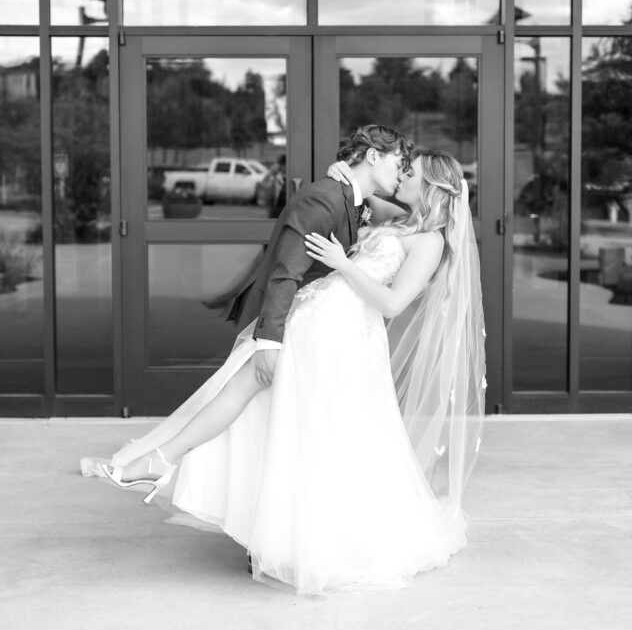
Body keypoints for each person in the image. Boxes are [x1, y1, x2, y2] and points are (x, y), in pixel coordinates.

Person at [87, 134, 486, 596]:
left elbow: (394, 304)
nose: (402, 176)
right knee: (258, 408)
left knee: (309, 429)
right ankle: (173, 468)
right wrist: (344, 176)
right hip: (314, 320)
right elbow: (362, 197)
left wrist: (343, 263)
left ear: (431, 186)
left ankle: (174, 469)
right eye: (402, 166)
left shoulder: (431, 241)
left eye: (411, 173)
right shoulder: (400, 218)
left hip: (342, 335)